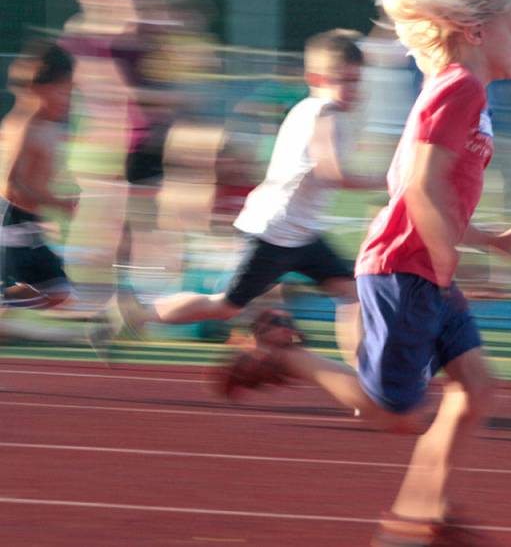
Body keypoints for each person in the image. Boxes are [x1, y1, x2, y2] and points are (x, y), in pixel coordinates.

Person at [210, 0, 511, 546]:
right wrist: (450, 258)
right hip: (405, 270)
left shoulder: (459, 88)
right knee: (394, 415)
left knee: (477, 388)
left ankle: (420, 516)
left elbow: (415, 189)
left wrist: (496, 241)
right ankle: (286, 355)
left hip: (423, 266)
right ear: (476, 31)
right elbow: (421, 187)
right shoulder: (460, 91)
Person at [115, 29, 383, 330]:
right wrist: (388, 180)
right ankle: (140, 312)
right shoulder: (324, 113)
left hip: (303, 234)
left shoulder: (320, 111)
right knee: (227, 306)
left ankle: (364, 373)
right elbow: (330, 173)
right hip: (273, 233)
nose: (350, 89)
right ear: (315, 79)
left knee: (352, 295)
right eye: (342, 80)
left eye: (355, 81)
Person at [0, 40, 112, 349]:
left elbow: (48, 169)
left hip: (29, 223)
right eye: (63, 91)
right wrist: (57, 203)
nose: (68, 99)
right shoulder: (26, 125)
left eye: (71, 91)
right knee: (48, 292)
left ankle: (6, 314)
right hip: (10, 221)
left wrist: (69, 186)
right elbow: (11, 186)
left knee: (59, 293)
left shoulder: (54, 126)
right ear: (39, 87)